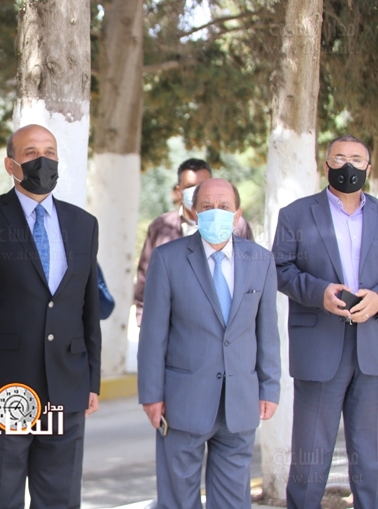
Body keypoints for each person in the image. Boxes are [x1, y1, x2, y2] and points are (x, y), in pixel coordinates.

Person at [0, 124, 101, 509]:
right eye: (31, 153)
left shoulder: (83, 224)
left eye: (50, 152)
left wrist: (92, 379)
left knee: (60, 499)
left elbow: (87, 309)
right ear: (11, 165)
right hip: (1, 390)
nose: (43, 160)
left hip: (65, 388)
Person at [138, 178, 280, 509]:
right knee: (178, 500)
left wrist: (269, 388)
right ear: (193, 212)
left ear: (237, 213)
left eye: (224, 206)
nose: (216, 212)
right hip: (182, 402)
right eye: (207, 206)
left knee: (232, 501)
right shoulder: (168, 259)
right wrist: (151, 395)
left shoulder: (260, 260)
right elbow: (153, 334)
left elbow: (267, 331)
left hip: (240, 403)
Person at [272, 134, 378, 508]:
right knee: (310, 460)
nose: (348, 166)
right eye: (339, 158)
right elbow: (279, 269)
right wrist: (318, 292)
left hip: (374, 350)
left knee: (369, 461)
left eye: (356, 159)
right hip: (319, 349)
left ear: (368, 167)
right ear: (326, 166)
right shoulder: (295, 215)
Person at [134, 158, 254, 325]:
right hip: (174, 324)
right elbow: (146, 276)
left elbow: (249, 276)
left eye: (202, 184)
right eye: (190, 186)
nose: (197, 190)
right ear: (179, 191)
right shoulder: (161, 227)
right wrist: (143, 318)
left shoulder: (237, 226)